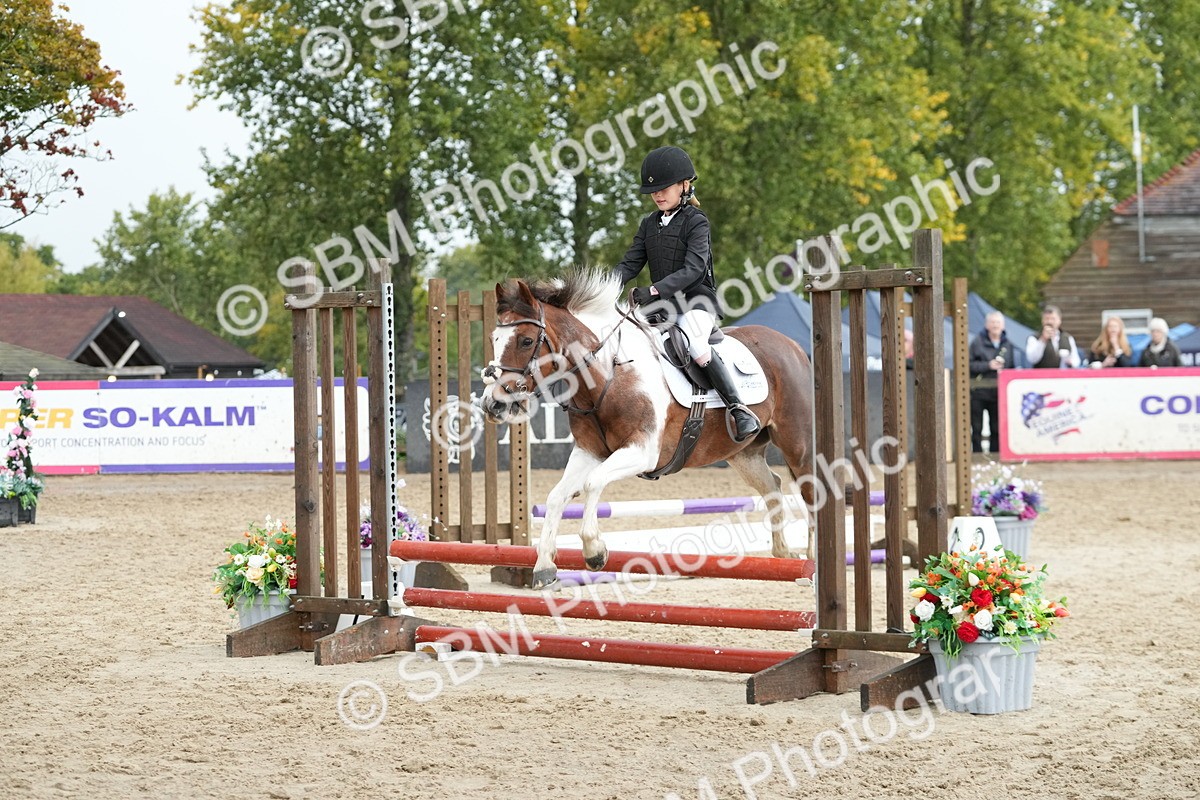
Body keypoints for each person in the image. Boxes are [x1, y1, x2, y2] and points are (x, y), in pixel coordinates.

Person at [612, 145, 760, 442]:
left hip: (697, 300)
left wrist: (653, 289)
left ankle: (738, 408)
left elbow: (694, 268)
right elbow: (630, 263)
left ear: (684, 185)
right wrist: (602, 288)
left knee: (695, 341)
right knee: (627, 336)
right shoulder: (648, 225)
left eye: (664, 188)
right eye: (653, 191)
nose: (657, 195)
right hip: (663, 306)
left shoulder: (696, 221)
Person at [968, 311, 1015, 453]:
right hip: (978, 392)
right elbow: (968, 365)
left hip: (998, 393)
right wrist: (988, 365)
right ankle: (976, 456)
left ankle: (996, 455)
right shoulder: (977, 342)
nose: (995, 325)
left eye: (998, 322)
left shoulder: (1008, 344)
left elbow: (1011, 367)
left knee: (997, 426)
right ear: (986, 325)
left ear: (1003, 325)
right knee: (976, 426)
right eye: (993, 322)